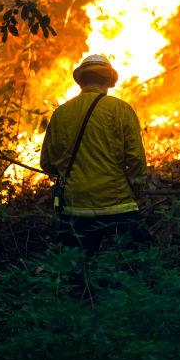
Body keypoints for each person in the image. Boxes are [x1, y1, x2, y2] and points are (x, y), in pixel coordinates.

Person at [40, 54, 150, 256]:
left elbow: (47, 163)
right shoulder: (121, 110)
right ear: (109, 81)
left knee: (79, 270)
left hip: (74, 208)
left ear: (80, 81)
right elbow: (135, 160)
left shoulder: (60, 114)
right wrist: (136, 193)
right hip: (118, 205)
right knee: (134, 265)